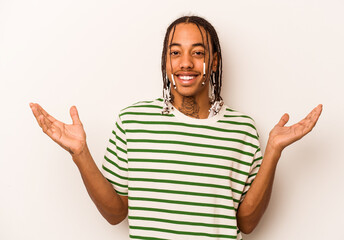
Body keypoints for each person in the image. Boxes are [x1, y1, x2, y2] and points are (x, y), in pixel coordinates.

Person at [30, 16, 322, 240]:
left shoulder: (242, 130)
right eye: (175, 53)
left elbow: (246, 222)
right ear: (166, 62)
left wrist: (272, 151)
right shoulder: (133, 121)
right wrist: (80, 153)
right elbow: (115, 213)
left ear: (214, 61)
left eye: (198, 53)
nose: (186, 64)